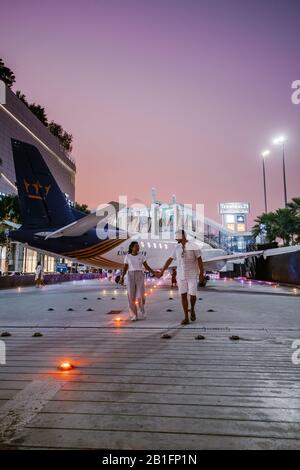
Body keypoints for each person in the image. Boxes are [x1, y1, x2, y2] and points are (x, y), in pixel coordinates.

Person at [159, 229, 205, 325]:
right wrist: (162, 270)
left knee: (192, 295)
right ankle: (186, 317)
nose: (176, 238)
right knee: (183, 295)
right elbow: (170, 260)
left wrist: (201, 274)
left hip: (192, 274)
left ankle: (192, 309)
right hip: (181, 275)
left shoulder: (193, 246)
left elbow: (200, 260)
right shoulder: (177, 247)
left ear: (183, 236)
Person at [120, 241, 157, 321]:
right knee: (131, 296)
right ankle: (134, 315)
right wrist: (122, 277)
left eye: (138, 246)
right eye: (136, 246)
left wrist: (154, 272)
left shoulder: (142, 256)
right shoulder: (128, 256)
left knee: (141, 295)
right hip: (130, 275)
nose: (138, 247)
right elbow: (125, 267)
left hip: (139, 275)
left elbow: (146, 267)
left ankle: (142, 310)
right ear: (132, 247)